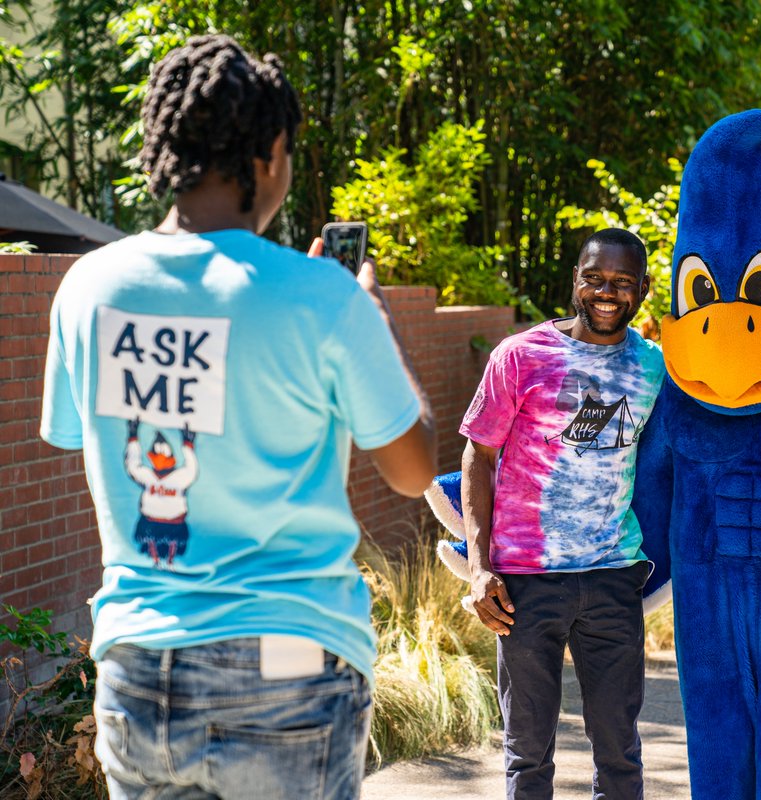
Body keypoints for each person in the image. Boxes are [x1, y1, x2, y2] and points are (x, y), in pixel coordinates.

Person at [39, 35, 436, 799]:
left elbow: (76, 436)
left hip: (138, 664)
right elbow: (413, 471)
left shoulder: (87, 289)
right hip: (289, 659)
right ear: (268, 154)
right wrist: (375, 319)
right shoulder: (324, 295)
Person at [461, 228, 665, 800]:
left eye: (623, 283)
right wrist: (481, 568)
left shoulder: (655, 369)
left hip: (612, 575)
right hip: (526, 582)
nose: (607, 292)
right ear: (575, 280)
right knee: (527, 755)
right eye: (594, 278)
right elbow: (478, 455)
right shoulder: (521, 356)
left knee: (620, 752)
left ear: (643, 289)